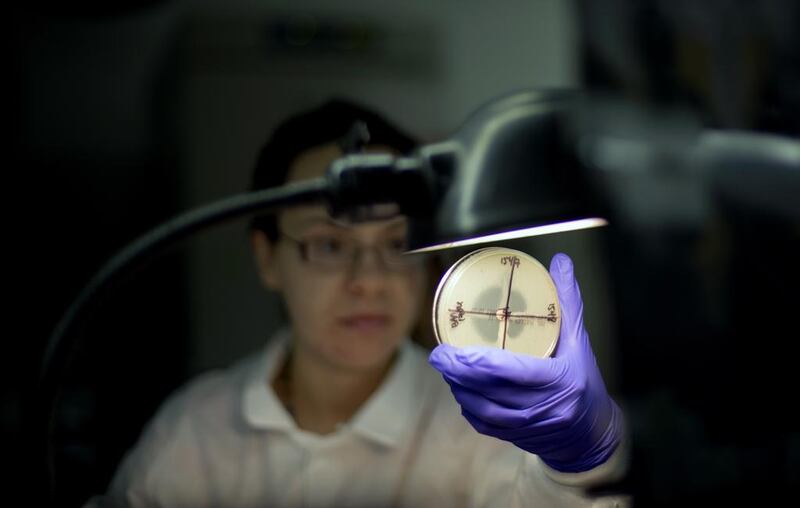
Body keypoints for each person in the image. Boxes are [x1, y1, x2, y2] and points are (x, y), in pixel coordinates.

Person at [94, 99, 628, 507]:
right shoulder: (196, 430)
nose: (369, 281)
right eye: (330, 245)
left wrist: (575, 459)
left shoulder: (478, 428)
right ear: (267, 258)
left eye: (397, 244)